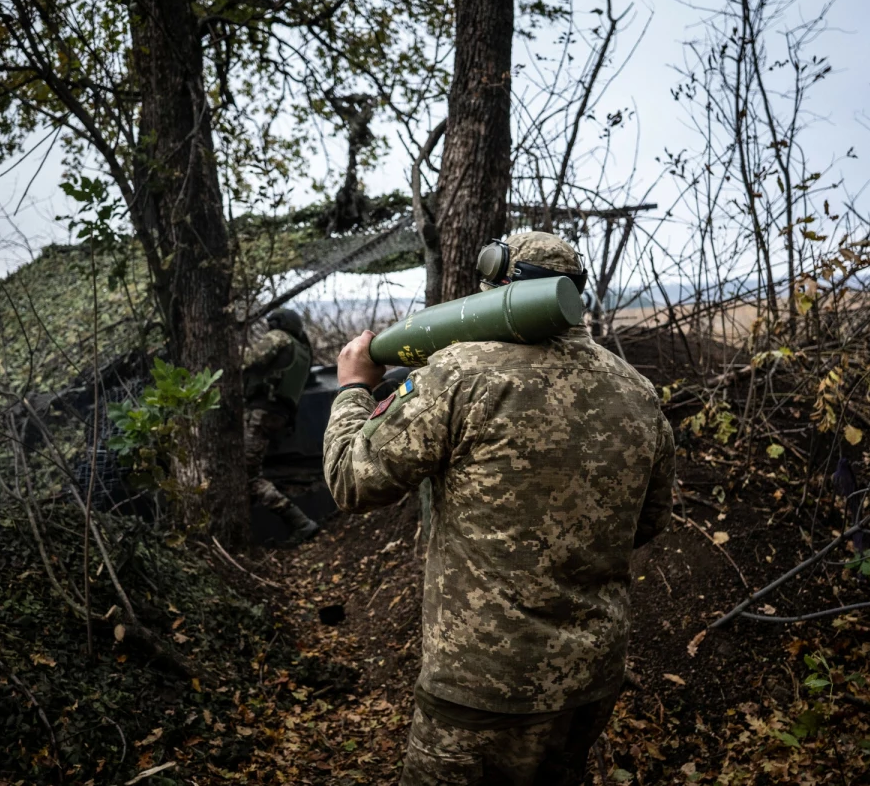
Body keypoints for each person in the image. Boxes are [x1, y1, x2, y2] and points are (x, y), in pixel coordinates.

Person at [321, 231, 676, 785]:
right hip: (588, 681)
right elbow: (649, 522)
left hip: (482, 685)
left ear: (494, 291)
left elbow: (351, 479)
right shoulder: (636, 390)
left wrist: (351, 389)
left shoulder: (461, 372)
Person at [243, 308, 320, 544]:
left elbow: (247, 361)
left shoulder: (279, 338)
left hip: (260, 411)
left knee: (247, 477)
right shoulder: (303, 351)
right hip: (279, 415)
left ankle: (300, 522)